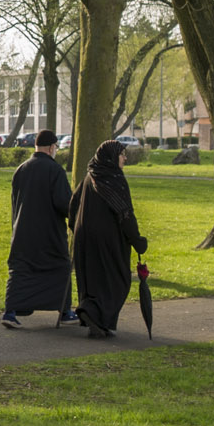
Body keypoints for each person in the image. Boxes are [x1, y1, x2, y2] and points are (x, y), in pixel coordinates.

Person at [69, 140, 149, 339]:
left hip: (83, 237)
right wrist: (136, 239)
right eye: (122, 154)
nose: (125, 158)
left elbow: (73, 204)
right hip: (108, 238)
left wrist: (75, 226)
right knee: (117, 278)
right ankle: (93, 313)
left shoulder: (90, 176)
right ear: (112, 157)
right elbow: (125, 213)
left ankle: (96, 318)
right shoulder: (114, 179)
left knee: (93, 277)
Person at [2, 130, 79, 329]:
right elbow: (64, 203)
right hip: (48, 233)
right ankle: (64, 311)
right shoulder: (55, 171)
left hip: (23, 231)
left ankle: (10, 311)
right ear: (52, 147)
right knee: (61, 268)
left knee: (20, 271)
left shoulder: (21, 169)